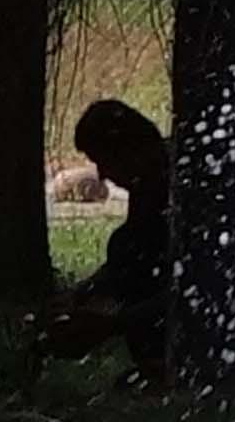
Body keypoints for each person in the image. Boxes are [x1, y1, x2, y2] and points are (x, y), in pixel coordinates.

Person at [47, 97, 169, 363]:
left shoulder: (173, 185)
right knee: (124, 243)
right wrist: (83, 292)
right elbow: (129, 259)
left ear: (127, 151)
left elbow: (189, 289)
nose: (102, 175)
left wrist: (110, 326)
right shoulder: (148, 185)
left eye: (104, 161)